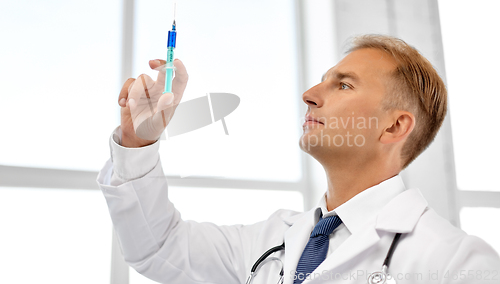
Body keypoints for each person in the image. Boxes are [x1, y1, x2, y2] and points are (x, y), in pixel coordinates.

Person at [97, 35, 500, 284]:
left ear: (394, 128)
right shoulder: (271, 241)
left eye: (343, 84)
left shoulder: (456, 263)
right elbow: (158, 248)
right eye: (321, 80)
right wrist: (137, 141)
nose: (308, 93)